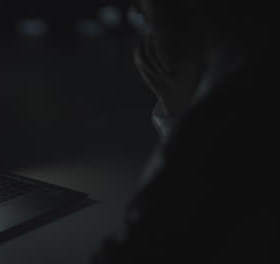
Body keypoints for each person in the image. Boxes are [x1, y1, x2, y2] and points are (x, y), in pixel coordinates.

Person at [93, 1, 278, 263]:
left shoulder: (240, 100)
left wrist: (185, 116)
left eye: (146, 7)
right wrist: (182, 109)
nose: (134, 8)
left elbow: (151, 236)